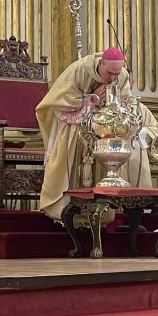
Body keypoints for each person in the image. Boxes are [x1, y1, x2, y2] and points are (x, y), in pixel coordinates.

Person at [36, 47, 130, 220]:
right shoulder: (80, 69)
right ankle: (65, 211)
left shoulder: (122, 76)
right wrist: (91, 98)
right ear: (101, 63)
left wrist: (111, 101)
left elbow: (125, 101)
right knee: (72, 153)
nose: (113, 79)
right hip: (76, 124)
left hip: (104, 128)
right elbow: (60, 98)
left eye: (116, 74)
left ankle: (101, 213)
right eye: (109, 73)